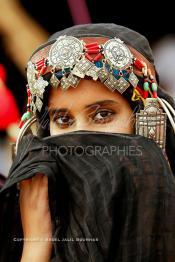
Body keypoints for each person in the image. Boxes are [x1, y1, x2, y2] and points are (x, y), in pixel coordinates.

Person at [0, 23, 175, 262]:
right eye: (63, 119)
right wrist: (36, 243)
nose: (79, 137)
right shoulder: (25, 218)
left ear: (146, 123)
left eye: (102, 115)